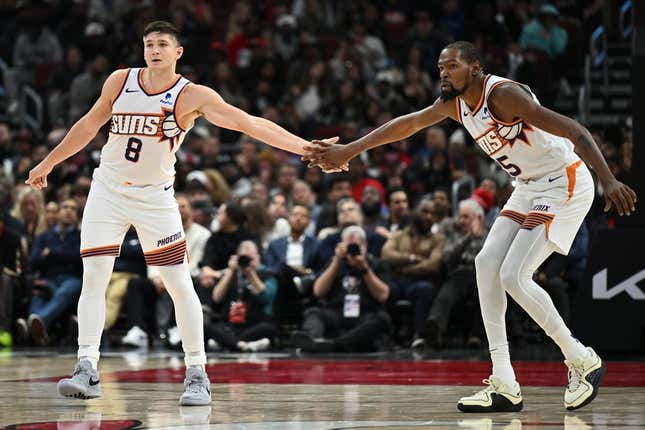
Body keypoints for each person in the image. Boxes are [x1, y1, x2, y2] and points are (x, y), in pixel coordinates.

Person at [303, 41, 637, 412]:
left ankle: (580, 358)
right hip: (528, 186)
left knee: (514, 276)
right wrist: (349, 150)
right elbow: (407, 125)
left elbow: (575, 130)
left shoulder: (505, 95)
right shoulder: (453, 104)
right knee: (486, 265)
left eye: (452, 66)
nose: (444, 73)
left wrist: (608, 180)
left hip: (565, 182)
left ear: (475, 68)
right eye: (441, 67)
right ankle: (504, 382)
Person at [25, 20, 339, 406]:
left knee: (178, 284)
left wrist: (305, 147)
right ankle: (86, 367)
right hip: (106, 191)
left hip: (156, 199)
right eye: (148, 44)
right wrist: (48, 163)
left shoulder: (191, 95)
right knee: (94, 278)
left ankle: (197, 373)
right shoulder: (119, 81)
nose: (153, 49)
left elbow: (248, 123)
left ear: (178, 53)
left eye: (162, 44)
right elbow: (89, 124)